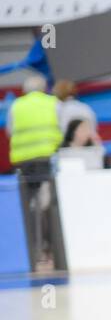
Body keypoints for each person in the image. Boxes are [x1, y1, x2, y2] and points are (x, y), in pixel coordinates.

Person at [6, 74, 64, 271]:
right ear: (44, 87)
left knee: (29, 208)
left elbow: (9, 131)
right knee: (48, 206)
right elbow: (63, 129)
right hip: (46, 161)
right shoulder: (53, 103)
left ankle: (34, 254)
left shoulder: (16, 105)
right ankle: (49, 251)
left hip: (23, 163)